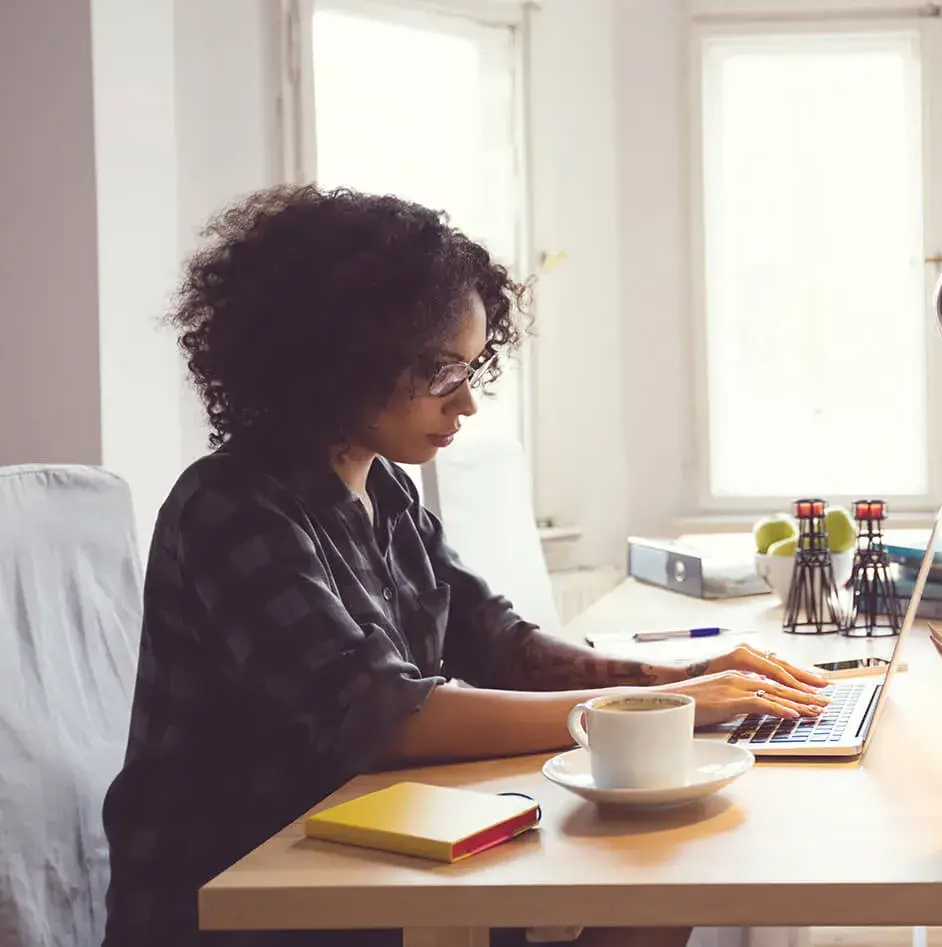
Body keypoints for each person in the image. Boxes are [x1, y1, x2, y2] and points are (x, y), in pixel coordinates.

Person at [101, 185, 831, 947]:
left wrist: (677, 681)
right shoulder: (231, 506)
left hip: (375, 859)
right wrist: (659, 710)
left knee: (666, 864)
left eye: (470, 371)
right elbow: (383, 715)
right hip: (249, 904)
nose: (467, 405)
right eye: (444, 373)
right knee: (653, 868)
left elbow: (500, 644)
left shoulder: (384, 490)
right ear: (345, 358)